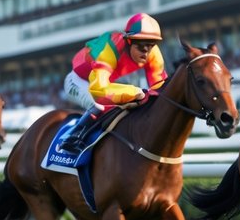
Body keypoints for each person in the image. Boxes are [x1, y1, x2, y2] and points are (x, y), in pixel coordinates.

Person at [59, 13, 167, 154]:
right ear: (129, 41)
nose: (146, 52)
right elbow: (99, 92)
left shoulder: (153, 54)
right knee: (99, 105)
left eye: (151, 45)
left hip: (101, 82)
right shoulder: (109, 49)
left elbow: (160, 87)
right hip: (78, 81)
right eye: (141, 46)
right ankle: (71, 138)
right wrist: (136, 92)